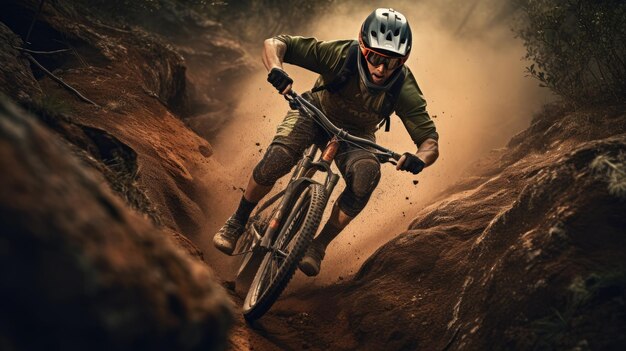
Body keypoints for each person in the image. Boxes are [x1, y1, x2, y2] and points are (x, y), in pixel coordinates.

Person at [213, 8, 439, 276]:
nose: (381, 69)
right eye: (376, 57)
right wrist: (276, 68)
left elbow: (429, 142)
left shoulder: (404, 86)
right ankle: (237, 220)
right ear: (363, 47)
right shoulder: (341, 54)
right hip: (313, 112)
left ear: (403, 61)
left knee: (366, 176)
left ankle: (317, 246)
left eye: (392, 62)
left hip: (357, 136)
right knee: (278, 159)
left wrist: (418, 159)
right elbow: (276, 43)